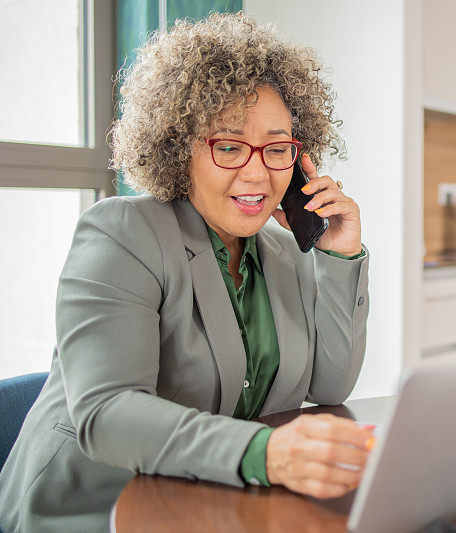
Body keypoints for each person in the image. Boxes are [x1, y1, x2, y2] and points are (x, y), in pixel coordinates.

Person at [0, 13, 371, 533]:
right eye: (229, 145)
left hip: (209, 506)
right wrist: (264, 453)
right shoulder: (121, 233)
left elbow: (330, 386)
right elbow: (108, 414)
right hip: (92, 510)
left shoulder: (285, 253)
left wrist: (339, 257)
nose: (258, 170)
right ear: (181, 148)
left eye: (278, 147)